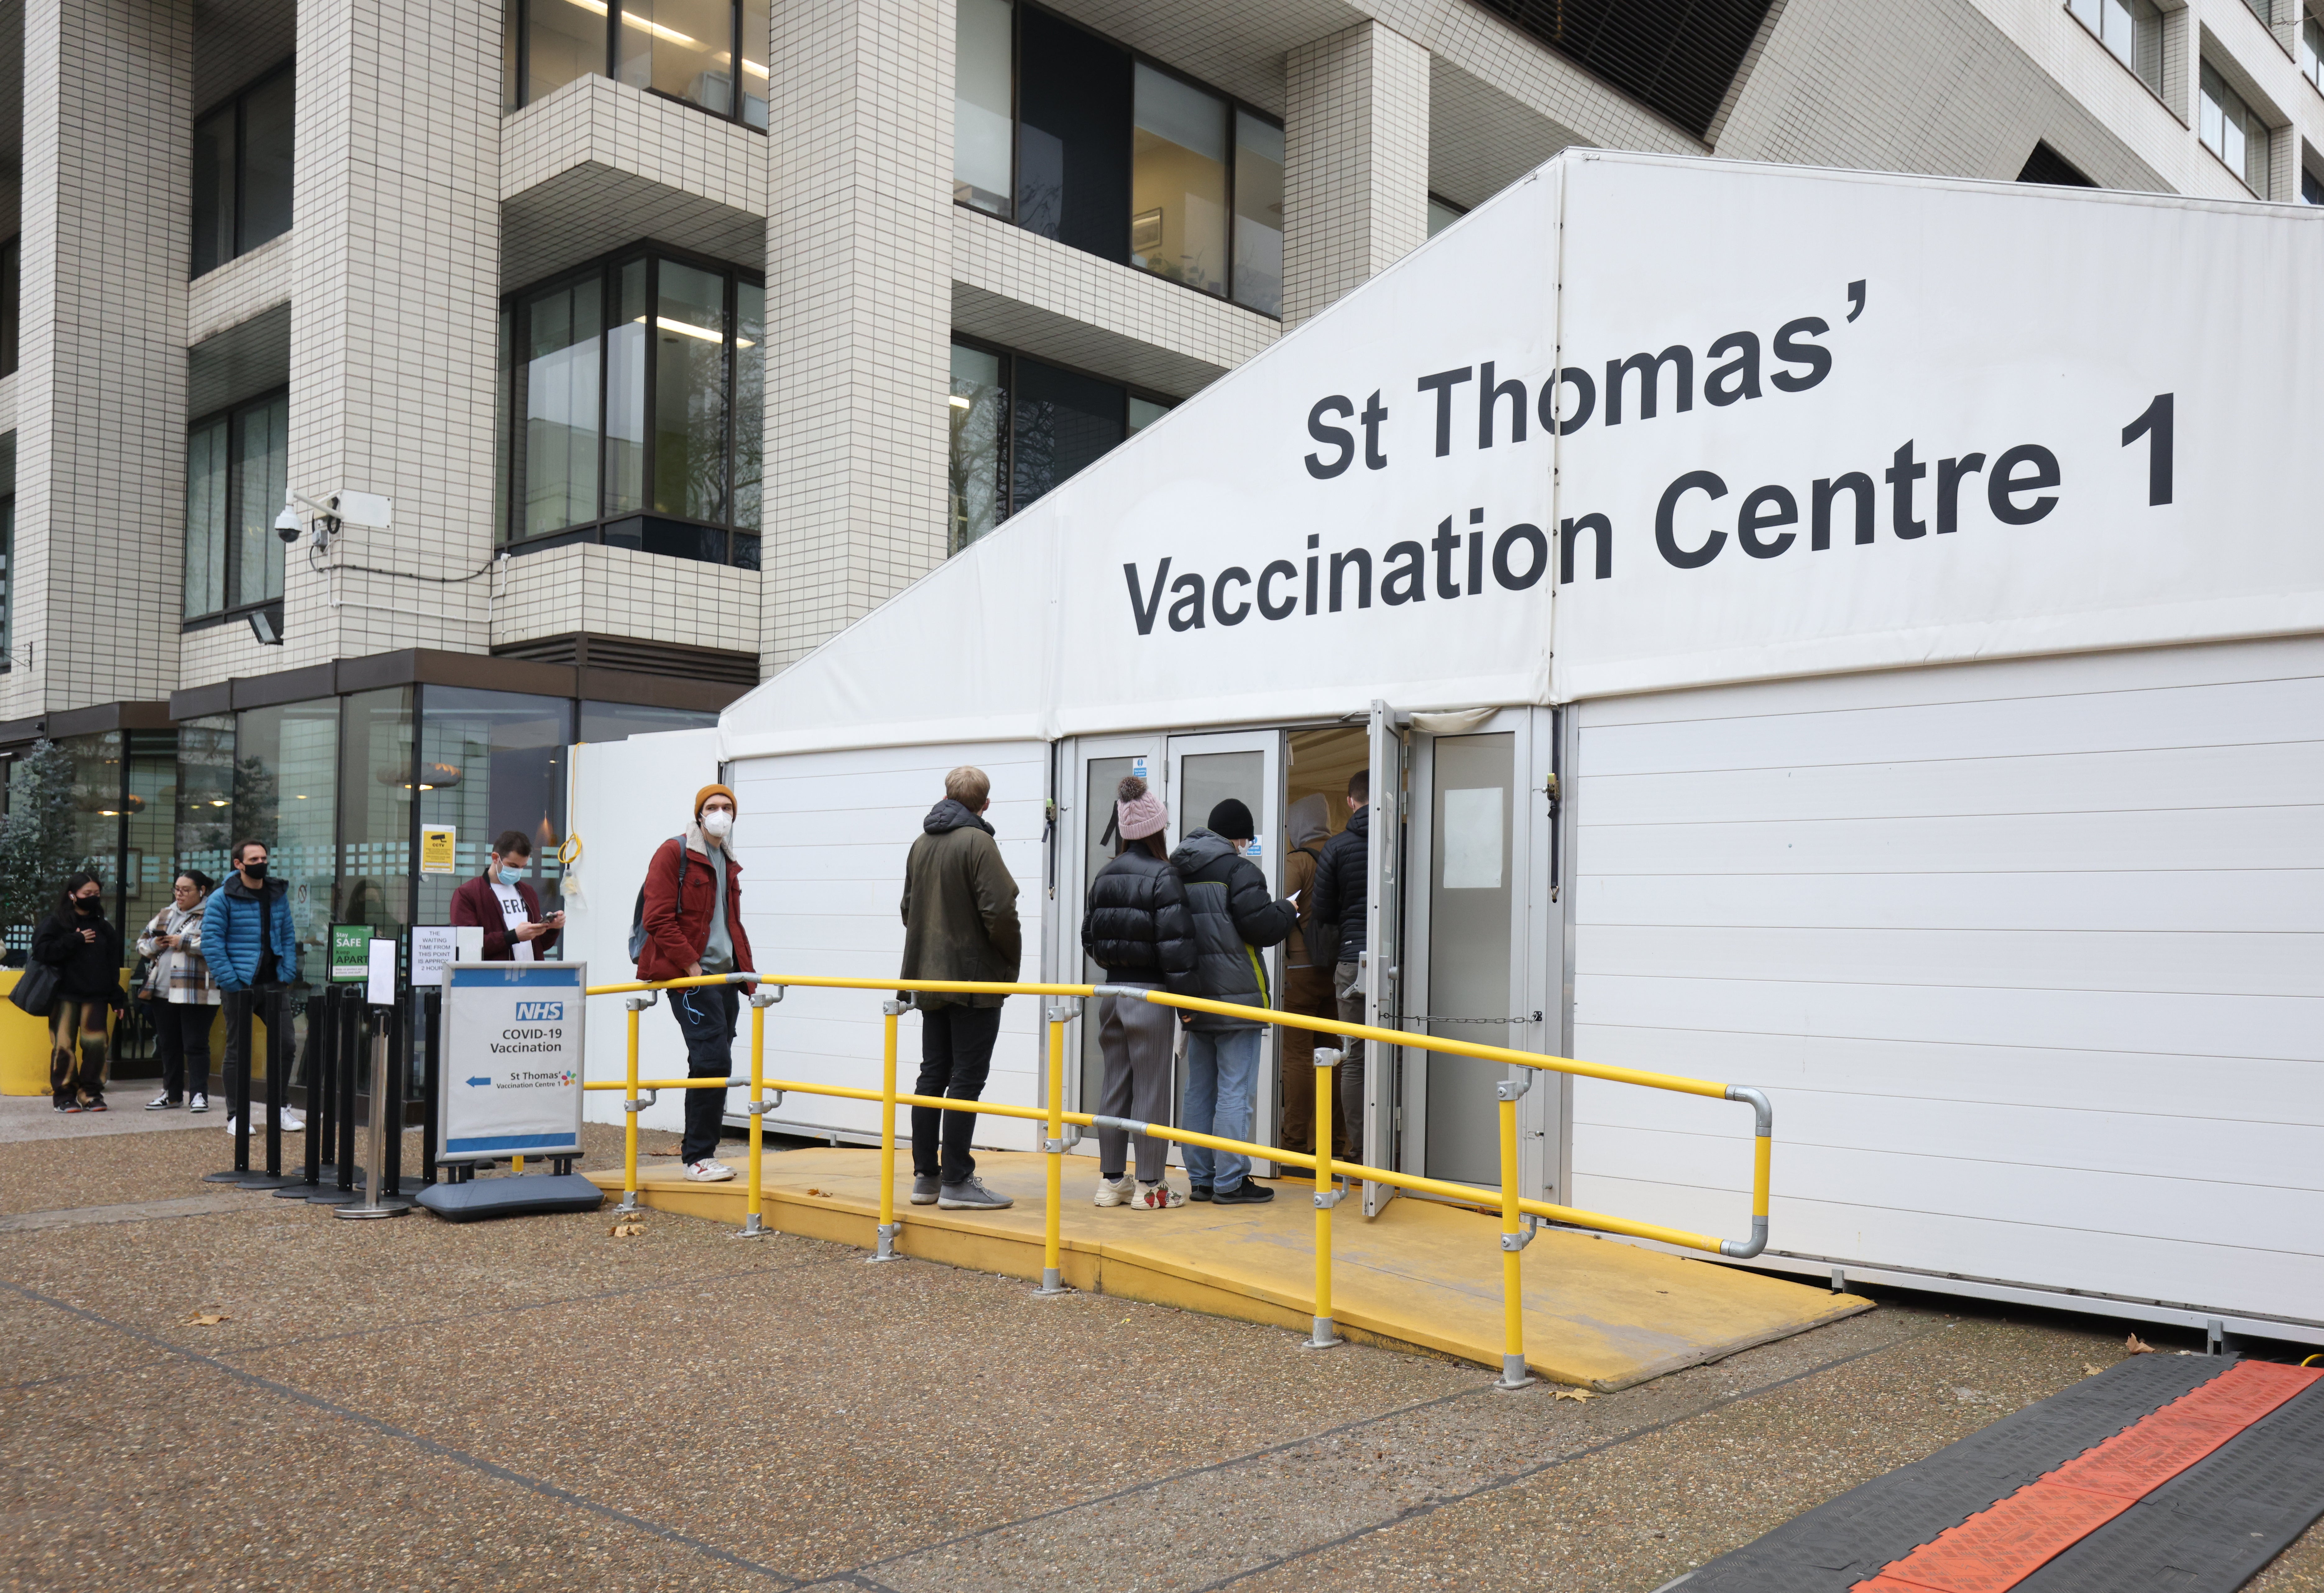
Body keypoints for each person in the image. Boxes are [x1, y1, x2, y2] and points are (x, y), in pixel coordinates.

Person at [898, 766, 1022, 1212]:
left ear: (947, 796)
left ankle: (925, 1178)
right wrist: (1007, 961)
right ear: (985, 804)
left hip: (929, 978)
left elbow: (908, 908)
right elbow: (1000, 911)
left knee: (932, 1074)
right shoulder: (978, 842)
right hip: (973, 981)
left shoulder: (921, 843)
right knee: (966, 1078)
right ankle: (957, 1180)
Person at [1169, 799, 1297, 1204]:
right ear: (1239, 837)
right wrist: (1287, 909)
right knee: (1235, 1091)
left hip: (1193, 997)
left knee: (1199, 1090)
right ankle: (1230, 1182)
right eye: (1246, 839)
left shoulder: (1178, 869)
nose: (1246, 846)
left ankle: (1202, 1180)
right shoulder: (1240, 871)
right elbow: (1261, 927)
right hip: (1237, 1000)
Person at [1080, 775, 1197, 1209]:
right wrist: (1186, 1005)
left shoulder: (1104, 874)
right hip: (1150, 995)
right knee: (1152, 1088)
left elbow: (1089, 938)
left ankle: (1112, 1182)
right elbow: (1177, 948)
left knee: (1114, 1084)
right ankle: (1151, 1186)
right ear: (1157, 829)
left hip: (1111, 991)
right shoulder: (1164, 875)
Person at [637, 785, 757, 1182]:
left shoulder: (727, 858)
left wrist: (744, 969)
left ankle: (702, 1153)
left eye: (727, 807)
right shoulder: (674, 853)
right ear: (699, 814)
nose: (720, 813)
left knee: (713, 1062)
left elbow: (728, 921)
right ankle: (699, 1158)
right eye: (712, 807)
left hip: (726, 978)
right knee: (712, 1061)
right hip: (694, 978)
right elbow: (657, 917)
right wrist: (691, 965)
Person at [205, 841, 300, 1133]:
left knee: (286, 1044)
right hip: (240, 985)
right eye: (254, 859)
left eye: (264, 858)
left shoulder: (277, 894)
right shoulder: (222, 897)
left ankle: (279, 1108)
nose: (261, 863)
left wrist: (287, 973)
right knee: (238, 1049)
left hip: (274, 984)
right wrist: (232, 982)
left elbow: (287, 935)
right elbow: (212, 943)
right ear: (239, 864)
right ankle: (237, 1115)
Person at [1276, 794, 1349, 1160]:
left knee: (1298, 1056)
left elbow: (1278, 911)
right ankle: (1333, 1138)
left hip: (1300, 971)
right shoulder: (1340, 854)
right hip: (1335, 970)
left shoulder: (1298, 861)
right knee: (1333, 1055)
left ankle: (1293, 1139)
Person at [1309, 770, 1371, 1158]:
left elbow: (1322, 912)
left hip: (1352, 961)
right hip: (1399, 963)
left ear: (1350, 802)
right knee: (1401, 1054)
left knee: (1354, 1058)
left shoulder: (1335, 847)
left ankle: (1361, 1148)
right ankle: (1399, 1147)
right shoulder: (1403, 841)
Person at [31, 873, 122, 1112]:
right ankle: (64, 1095)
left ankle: (90, 1093)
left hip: (96, 997)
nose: (93, 898)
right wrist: (76, 939)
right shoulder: (56, 922)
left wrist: (117, 998)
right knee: (64, 1046)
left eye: (97, 894)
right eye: (87, 893)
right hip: (64, 997)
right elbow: (42, 951)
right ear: (72, 895)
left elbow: (112, 966)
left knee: (97, 1045)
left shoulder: (104, 927)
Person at [139, 872, 221, 1111]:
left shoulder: (212, 913)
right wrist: (155, 944)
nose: (179, 894)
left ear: (202, 891)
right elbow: (142, 944)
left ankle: (199, 1095)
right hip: (163, 990)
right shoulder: (166, 913)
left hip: (197, 990)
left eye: (186, 890)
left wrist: (182, 942)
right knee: (169, 1044)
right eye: (177, 889)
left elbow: (216, 944)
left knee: (196, 1044)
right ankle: (172, 1094)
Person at [451, 831, 564, 961]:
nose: (518, 872)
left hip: (532, 973)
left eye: (523, 867)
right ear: (495, 858)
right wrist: (513, 937)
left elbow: (540, 946)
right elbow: (467, 945)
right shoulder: (468, 894)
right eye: (513, 866)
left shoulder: (528, 892)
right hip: (495, 974)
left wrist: (552, 929)